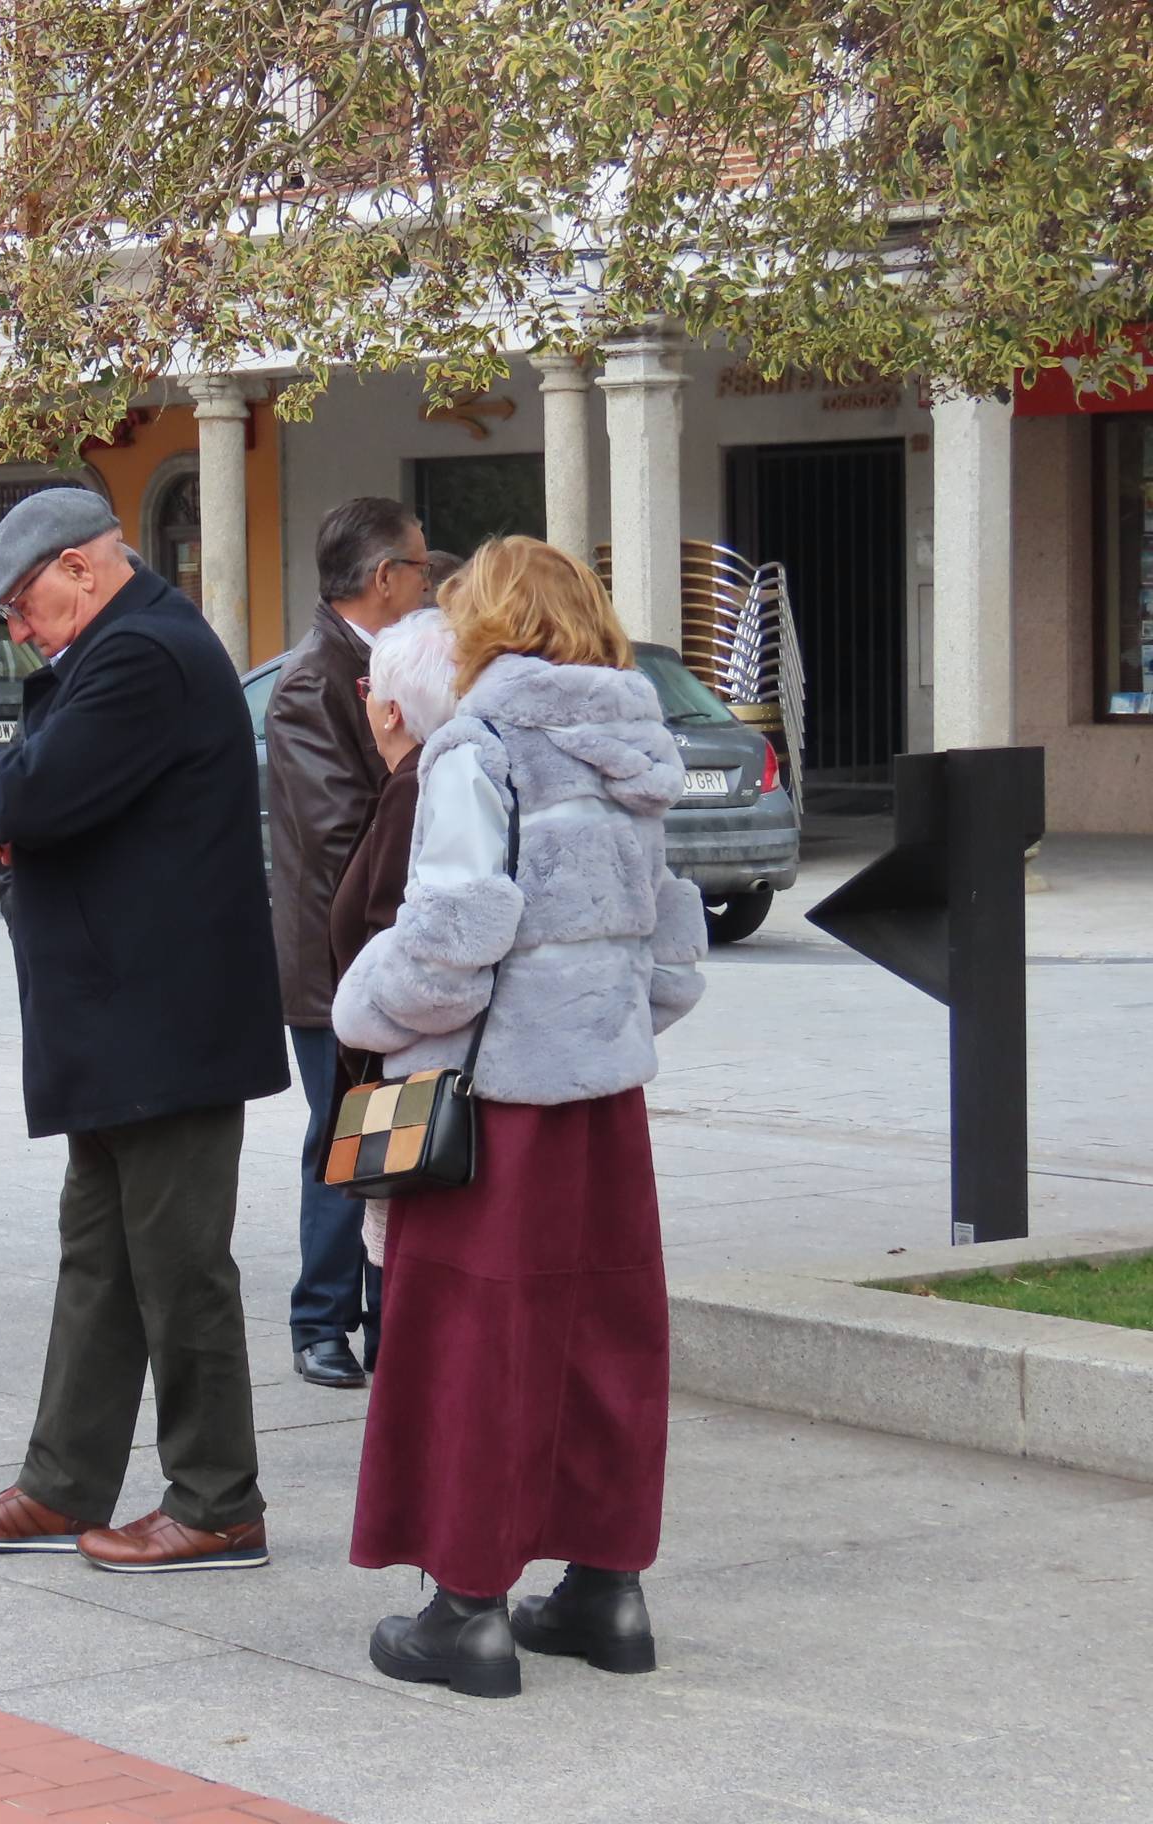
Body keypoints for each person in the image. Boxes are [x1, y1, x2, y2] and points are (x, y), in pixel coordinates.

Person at [333, 536, 707, 1699]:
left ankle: (468, 1609)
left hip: (493, 1107)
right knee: (605, 1337)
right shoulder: (636, 752)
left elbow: (448, 939)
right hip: (603, 1101)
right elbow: (673, 954)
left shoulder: (476, 747)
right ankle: (605, 1590)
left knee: (470, 1344)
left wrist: (364, 1002)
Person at [0, 489, 288, 1574]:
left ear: (81, 568)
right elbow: (29, 802)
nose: (18, 633)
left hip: (161, 1023)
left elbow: (35, 804)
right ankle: (60, 1484)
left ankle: (218, 1502)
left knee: (177, 1269)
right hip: (122, 1022)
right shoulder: (119, 649)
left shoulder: (144, 656)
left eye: (24, 606)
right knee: (99, 1261)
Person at [265, 498, 430, 1390]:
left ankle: (379, 1315)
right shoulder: (312, 681)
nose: (427, 585)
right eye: (419, 570)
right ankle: (320, 1319)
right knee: (344, 1136)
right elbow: (338, 840)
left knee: (385, 1135)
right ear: (382, 579)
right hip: (339, 962)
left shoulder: (387, 665)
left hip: (384, 953)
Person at [323, 606, 460, 1285]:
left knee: (407, 1271)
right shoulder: (413, 782)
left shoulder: (415, 788)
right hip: (394, 1063)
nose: (367, 701)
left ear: (393, 712)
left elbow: (388, 939)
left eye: (373, 690)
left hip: (402, 1076)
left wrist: (361, 1041)